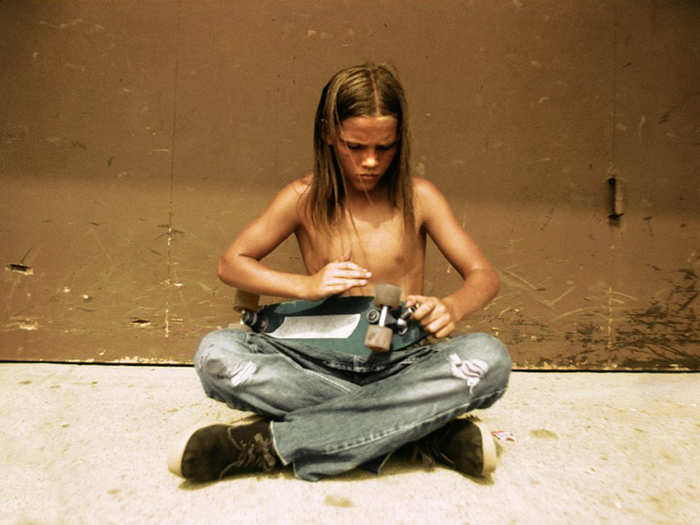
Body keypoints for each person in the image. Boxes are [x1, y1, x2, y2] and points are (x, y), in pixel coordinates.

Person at [168, 63, 511, 482]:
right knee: (216, 354)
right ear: (329, 133)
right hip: (314, 358)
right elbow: (231, 263)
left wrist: (454, 306)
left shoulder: (420, 197)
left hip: (402, 357)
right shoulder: (302, 197)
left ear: (399, 140)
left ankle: (272, 445)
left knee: (489, 359)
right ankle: (420, 432)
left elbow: (483, 275)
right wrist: (307, 285)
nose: (370, 162)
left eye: (384, 148)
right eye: (355, 146)